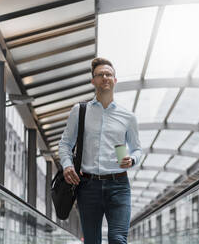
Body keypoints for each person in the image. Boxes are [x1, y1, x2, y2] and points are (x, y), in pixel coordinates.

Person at [58, 57, 142, 244]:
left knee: (118, 239)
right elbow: (65, 144)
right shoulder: (79, 111)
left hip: (119, 185)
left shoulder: (128, 117)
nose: (105, 77)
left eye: (109, 74)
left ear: (115, 80)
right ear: (93, 81)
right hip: (88, 186)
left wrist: (132, 160)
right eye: (100, 75)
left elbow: (137, 149)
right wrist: (67, 165)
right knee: (92, 241)